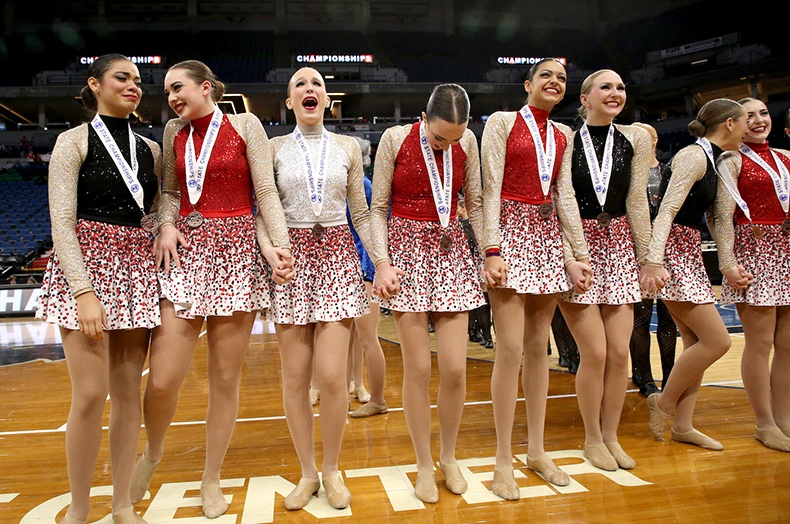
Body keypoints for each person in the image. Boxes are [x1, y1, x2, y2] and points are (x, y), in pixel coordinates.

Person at [130, 60, 292, 519]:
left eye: (178, 87)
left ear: (206, 87)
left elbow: (265, 192)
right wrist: (164, 224)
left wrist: (279, 247)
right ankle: (155, 452)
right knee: (162, 379)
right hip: (186, 252)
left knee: (225, 379)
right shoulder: (172, 131)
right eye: (166, 91)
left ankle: (211, 477)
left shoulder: (246, 124)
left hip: (238, 254)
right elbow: (169, 192)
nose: (172, 97)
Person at [35, 53, 161, 524]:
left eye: (137, 80)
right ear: (95, 84)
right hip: (86, 268)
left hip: (135, 270)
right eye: (122, 78)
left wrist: (164, 227)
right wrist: (83, 290)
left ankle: (122, 503)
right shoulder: (72, 142)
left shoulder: (151, 149)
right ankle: (80, 507)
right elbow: (61, 222)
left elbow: (153, 208)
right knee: (89, 394)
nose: (133, 86)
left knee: (129, 396)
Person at [478, 58, 591, 499]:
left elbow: (564, 195)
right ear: (528, 84)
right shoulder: (504, 122)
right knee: (508, 350)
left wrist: (574, 255)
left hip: (545, 238)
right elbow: (490, 187)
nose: (554, 82)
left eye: (561, 78)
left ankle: (537, 450)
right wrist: (491, 248)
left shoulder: (562, 134)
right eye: (546, 75)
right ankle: (503, 458)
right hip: (507, 232)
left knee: (537, 349)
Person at [370, 83, 483, 504]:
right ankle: (422, 462)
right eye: (439, 137)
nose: (447, 144)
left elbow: (476, 199)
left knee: (454, 368)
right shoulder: (394, 139)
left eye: (455, 137)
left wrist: (489, 250)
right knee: (417, 369)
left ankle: (449, 457)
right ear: (423, 118)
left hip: (451, 250)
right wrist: (382, 261)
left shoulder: (467, 141)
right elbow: (378, 207)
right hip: (406, 253)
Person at [265, 66, 371, 511]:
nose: (310, 90)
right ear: (289, 102)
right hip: (291, 260)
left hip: (338, 258)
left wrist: (380, 261)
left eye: (317, 86)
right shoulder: (271, 148)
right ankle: (307, 472)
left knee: (331, 377)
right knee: (294, 380)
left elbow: (362, 214)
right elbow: (261, 209)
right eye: (300, 86)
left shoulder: (349, 147)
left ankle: (332, 469)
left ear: (327, 100)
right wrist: (270, 250)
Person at [641, 98, 750, 450]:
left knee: (695, 343)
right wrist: (655, 261)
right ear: (730, 124)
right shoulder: (692, 156)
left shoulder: (722, 162)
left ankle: (683, 426)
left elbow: (718, 221)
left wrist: (729, 264)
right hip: (673, 251)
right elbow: (666, 211)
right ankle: (665, 402)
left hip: (689, 251)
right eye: (746, 120)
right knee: (718, 341)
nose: (750, 127)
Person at [558, 69, 652, 471]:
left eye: (620, 88)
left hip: (619, 246)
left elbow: (638, 203)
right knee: (594, 353)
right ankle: (592, 438)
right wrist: (566, 254)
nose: (616, 93)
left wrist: (649, 257)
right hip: (576, 247)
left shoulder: (636, 139)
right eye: (606, 87)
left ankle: (611, 435)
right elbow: (558, 200)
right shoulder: (563, 138)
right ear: (585, 97)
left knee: (619, 352)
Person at [714, 98, 790, 451]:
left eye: (763, 113)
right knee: (759, 344)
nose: (758, 120)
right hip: (755, 251)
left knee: (787, 346)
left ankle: (784, 418)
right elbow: (722, 217)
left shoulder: (788, 157)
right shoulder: (731, 160)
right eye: (749, 116)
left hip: (787, 251)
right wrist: (728, 262)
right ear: (734, 123)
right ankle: (764, 422)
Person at [629, 122, 677, 397]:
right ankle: (643, 377)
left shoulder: (669, 170)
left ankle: (672, 375)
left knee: (670, 319)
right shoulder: (626, 174)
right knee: (640, 319)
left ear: (655, 138)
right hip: (636, 252)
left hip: (668, 251)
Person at [348, 172, 388, 418]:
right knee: (338, 335)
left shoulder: (364, 185)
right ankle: (322, 386)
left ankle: (372, 393)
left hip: (364, 266)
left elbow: (373, 224)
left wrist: (370, 268)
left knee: (366, 336)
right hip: (336, 263)